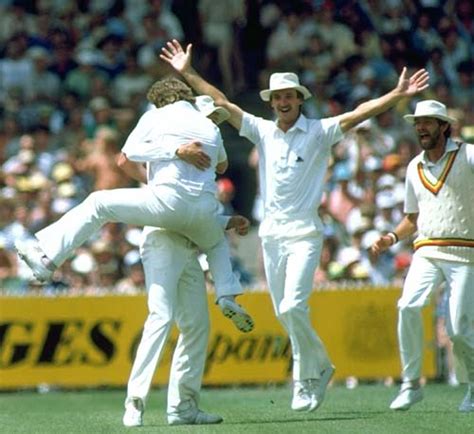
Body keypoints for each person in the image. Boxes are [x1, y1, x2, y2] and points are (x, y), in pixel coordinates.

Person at [160, 38, 430, 412]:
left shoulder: (319, 131)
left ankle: (306, 380)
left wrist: (397, 94)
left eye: (289, 96)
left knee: (293, 307)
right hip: (271, 235)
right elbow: (222, 102)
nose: (283, 102)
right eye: (277, 97)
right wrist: (187, 72)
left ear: (299, 99)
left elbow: (359, 114)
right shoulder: (262, 131)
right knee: (285, 312)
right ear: (271, 102)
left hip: (304, 233)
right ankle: (321, 366)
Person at [15, 79, 253, 333]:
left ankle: (48, 259)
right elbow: (222, 166)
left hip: (168, 204)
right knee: (215, 242)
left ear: (160, 101)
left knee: (98, 202)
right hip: (205, 212)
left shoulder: (156, 116)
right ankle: (227, 294)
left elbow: (127, 156)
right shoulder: (210, 127)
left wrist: (176, 150)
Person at [119, 145, 249, 427]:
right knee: (161, 316)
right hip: (163, 242)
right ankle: (135, 402)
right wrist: (156, 182)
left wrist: (228, 220)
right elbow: (124, 160)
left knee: (197, 326)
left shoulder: (204, 159)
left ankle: (183, 408)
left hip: (189, 246)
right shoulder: (171, 139)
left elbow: (195, 217)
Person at [370, 100, 474, 412]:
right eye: (418, 122)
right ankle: (411, 383)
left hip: (466, 252)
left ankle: (472, 387)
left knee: (458, 328)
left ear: (444, 126)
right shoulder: (414, 166)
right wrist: (391, 237)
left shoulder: (467, 154)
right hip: (427, 250)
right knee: (407, 306)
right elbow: (412, 218)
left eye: (428, 122)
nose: (421, 127)